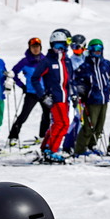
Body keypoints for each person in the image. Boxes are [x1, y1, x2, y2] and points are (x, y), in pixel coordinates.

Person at [29, 29, 74, 161]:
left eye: (62, 45)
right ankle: (52, 151)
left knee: (57, 124)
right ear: (51, 45)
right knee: (63, 123)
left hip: (65, 98)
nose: (59, 49)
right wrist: (43, 95)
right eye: (56, 45)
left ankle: (46, 147)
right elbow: (35, 78)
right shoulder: (47, 61)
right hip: (54, 97)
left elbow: (70, 80)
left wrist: (75, 95)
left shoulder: (67, 61)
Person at [72, 39, 110, 156]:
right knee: (89, 126)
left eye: (99, 49)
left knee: (99, 126)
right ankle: (80, 150)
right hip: (91, 100)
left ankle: (91, 146)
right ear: (90, 51)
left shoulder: (106, 64)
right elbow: (76, 80)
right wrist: (82, 92)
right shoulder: (85, 66)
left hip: (103, 100)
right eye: (95, 49)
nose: (97, 52)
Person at [7, 37, 50, 146]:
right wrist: (22, 86)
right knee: (23, 115)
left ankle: (43, 136)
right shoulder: (25, 61)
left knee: (47, 115)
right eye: (33, 47)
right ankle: (13, 137)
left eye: (37, 47)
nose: (35, 49)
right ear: (29, 48)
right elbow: (13, 73)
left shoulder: (46, 60)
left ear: (41, 47)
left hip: (44, 93)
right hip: (31, 92)